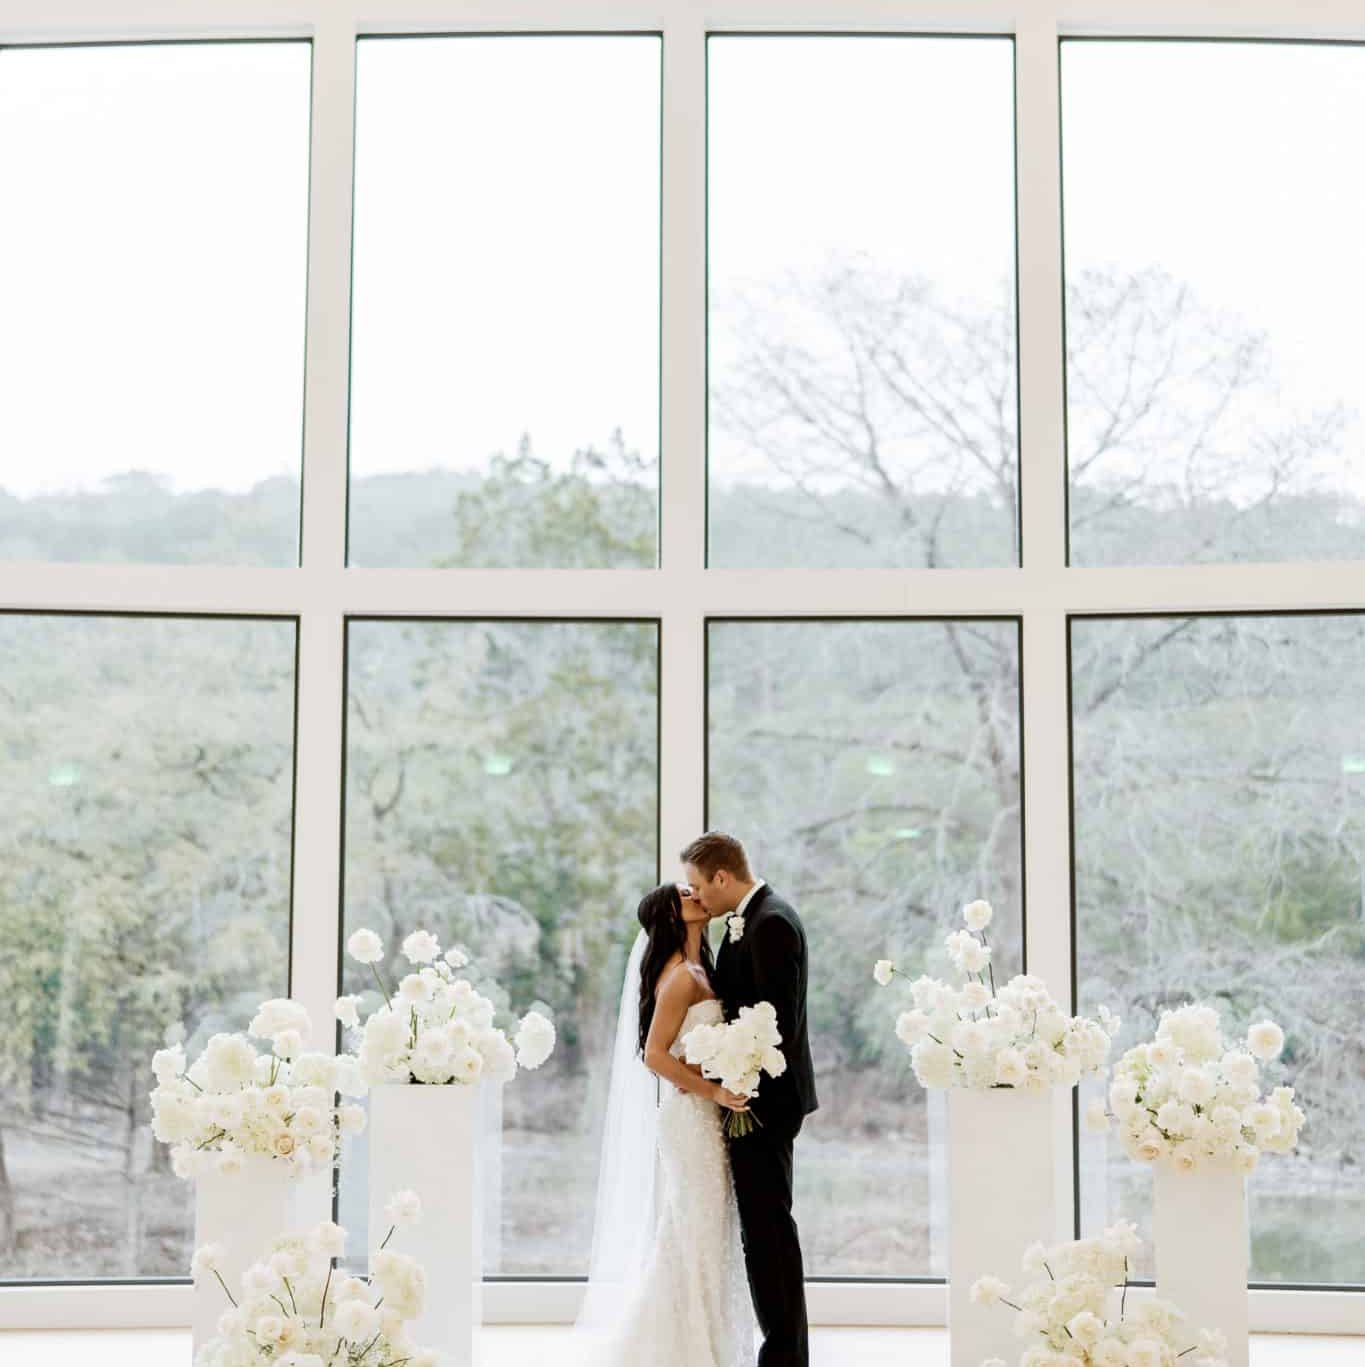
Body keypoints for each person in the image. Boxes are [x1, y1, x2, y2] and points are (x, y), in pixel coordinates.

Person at [573, 879, 754, 1366]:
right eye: (686, 895)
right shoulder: (678, 977)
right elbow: (654, 1055)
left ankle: (702, 1339)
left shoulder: (703, 968)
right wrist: (714, 1088)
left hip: (707, 1115)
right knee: (695, 1230)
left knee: (702, 1230)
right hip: (689, 1120)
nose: (698, 896)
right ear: (673, 916)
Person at [681, 832, 818, 1367]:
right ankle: (785, 1348)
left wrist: (733, 1076)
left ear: (722, 876)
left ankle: (784, 1355)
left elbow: (771, 1024)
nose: (697, 897)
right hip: (749, 1096)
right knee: (763, 1234)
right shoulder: (750, 919)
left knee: (769, 1236)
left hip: (764, 1103)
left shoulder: (772, 922)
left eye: (699, 885)